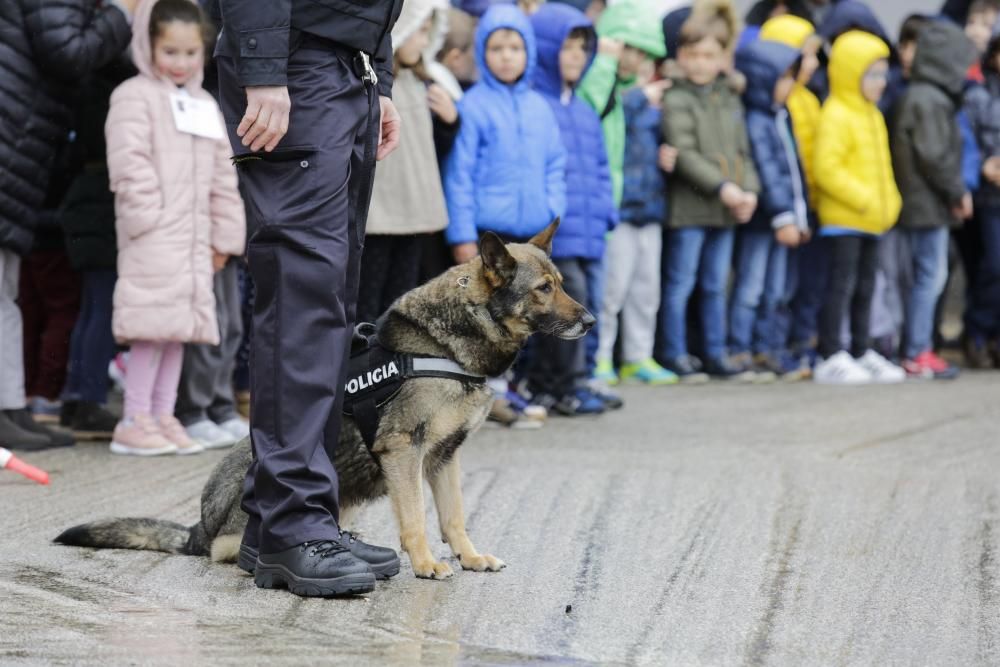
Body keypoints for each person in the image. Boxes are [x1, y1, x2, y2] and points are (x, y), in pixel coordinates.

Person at [214, 0, 404, 596]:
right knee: (303, 299)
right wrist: (264, 68)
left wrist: (379, 74)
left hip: (344, 66)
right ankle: (292, 526)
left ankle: (284, 517)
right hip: (299, 63)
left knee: (330, 303)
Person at [106, 0, 245, 456]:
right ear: (148, 47)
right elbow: (129, 165)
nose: (182, 63)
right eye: (171, 52)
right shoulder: (133, 96)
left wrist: (223, 237)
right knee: (150, 332)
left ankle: (163, 416)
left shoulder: (204, 103)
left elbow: (224, 176)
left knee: (179, 333)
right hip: (155, 239)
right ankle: (134, 419)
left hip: (195, 243)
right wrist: (149, 221)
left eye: (191, 53)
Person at [0, 0, 135, 451]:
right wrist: (121, 12)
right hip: (11, 140)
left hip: (20, 147)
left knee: (8, 290)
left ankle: (11, 407)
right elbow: (68, 50)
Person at [444, 5, 566, 428]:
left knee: (531, 314)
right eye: (497, 47)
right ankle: (488, 394)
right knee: (491, 320)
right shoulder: (474, 105)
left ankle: (514, 387)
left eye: (515, 46)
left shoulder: (540, 107)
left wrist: (554, 214)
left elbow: (555, 165)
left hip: (532, 234)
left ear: (528, 52)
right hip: (492, 233)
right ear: (483, 52)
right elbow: (460, 174)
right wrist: (461, 233)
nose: (507, 55)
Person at [524, 2, 618, 414]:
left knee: (591, 301)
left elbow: (600, 169)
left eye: (584, 48)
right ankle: (560, 385)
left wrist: (606, 212)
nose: (577, 56)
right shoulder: (536, 105)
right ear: (545, 50)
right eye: (567, 47)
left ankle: (577, 381)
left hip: (590, 229)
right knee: (567, 304)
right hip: (557, 234)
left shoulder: (583, 110)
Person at [660, 4, 760, 382]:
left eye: (709, 55)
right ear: (680, 56)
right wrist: (726, 188)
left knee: (717, 286)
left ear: (723, 57)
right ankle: (674, 353)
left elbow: (742, 152)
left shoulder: (729, 97)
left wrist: (749, 191)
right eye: (692, 54)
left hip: (726, 209)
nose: (700, 63)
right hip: (690, 210)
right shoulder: (676, 97)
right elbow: (683, 153)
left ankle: (716, 354)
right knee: (680, 285)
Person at [812, 30, 904, 384]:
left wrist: (889, 203)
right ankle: (831, 352)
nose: (880, 82)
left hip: (872, 221)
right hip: (845, 220)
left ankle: (861, 349)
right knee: (841, 286)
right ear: (851, 73)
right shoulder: (836, 113)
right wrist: (865, 200)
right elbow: (827, 168)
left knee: (867, 287)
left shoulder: (873, 114)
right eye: (872, 74)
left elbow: (883, 167)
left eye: (883, 74)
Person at [359, 0, 453, 325]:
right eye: (420, 30)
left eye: (429, 32)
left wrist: (450, 122)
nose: (424, 41)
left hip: (415, 215)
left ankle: (393, 371)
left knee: (402, 304)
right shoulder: (375, 84)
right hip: (379, 216)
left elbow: (435, 150)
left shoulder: (425, 82)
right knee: (368, 303)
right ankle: (364, 370)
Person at [891, 20, 976, 380]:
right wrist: (957, 192)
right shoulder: (929, 100)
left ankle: (916, 347)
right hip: (925, 206)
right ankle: (917, 350)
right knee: (929, 276)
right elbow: (934, 156)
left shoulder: (923, 96)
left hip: (922, 203)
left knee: (926, 275)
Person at [59, 56, 137, 441]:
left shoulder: (86, 83)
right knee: (103, 306)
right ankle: (87, 399)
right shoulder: (116, 90)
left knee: (92, 306)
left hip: (85, 204)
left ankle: (77, 396)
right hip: (100, 209)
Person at [729, 39, 809, 380]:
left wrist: (800, 215)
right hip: (766, 220)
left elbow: (792, 169)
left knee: (777, 290)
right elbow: (768, 170)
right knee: (751, 287)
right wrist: (783, 215)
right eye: (783, 78)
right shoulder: (757, 119)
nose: (789, 86)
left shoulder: (781, 116)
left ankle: (767, 349)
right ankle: (739, 349)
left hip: (784, 219)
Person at [757, 15, 823, 371]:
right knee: (775, 286)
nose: (811, 65)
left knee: (798, 285)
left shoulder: (807, 101)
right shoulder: (781, 104)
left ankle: (791, 346)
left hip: (804, 208)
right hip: (783, 212)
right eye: (805, 56)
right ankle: (772, 346)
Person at [963, 22, 1000, 368]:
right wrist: (985, 168)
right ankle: (977, 331)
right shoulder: (978, 94)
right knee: (993, 266)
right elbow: (966, 143)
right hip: (990, 198)